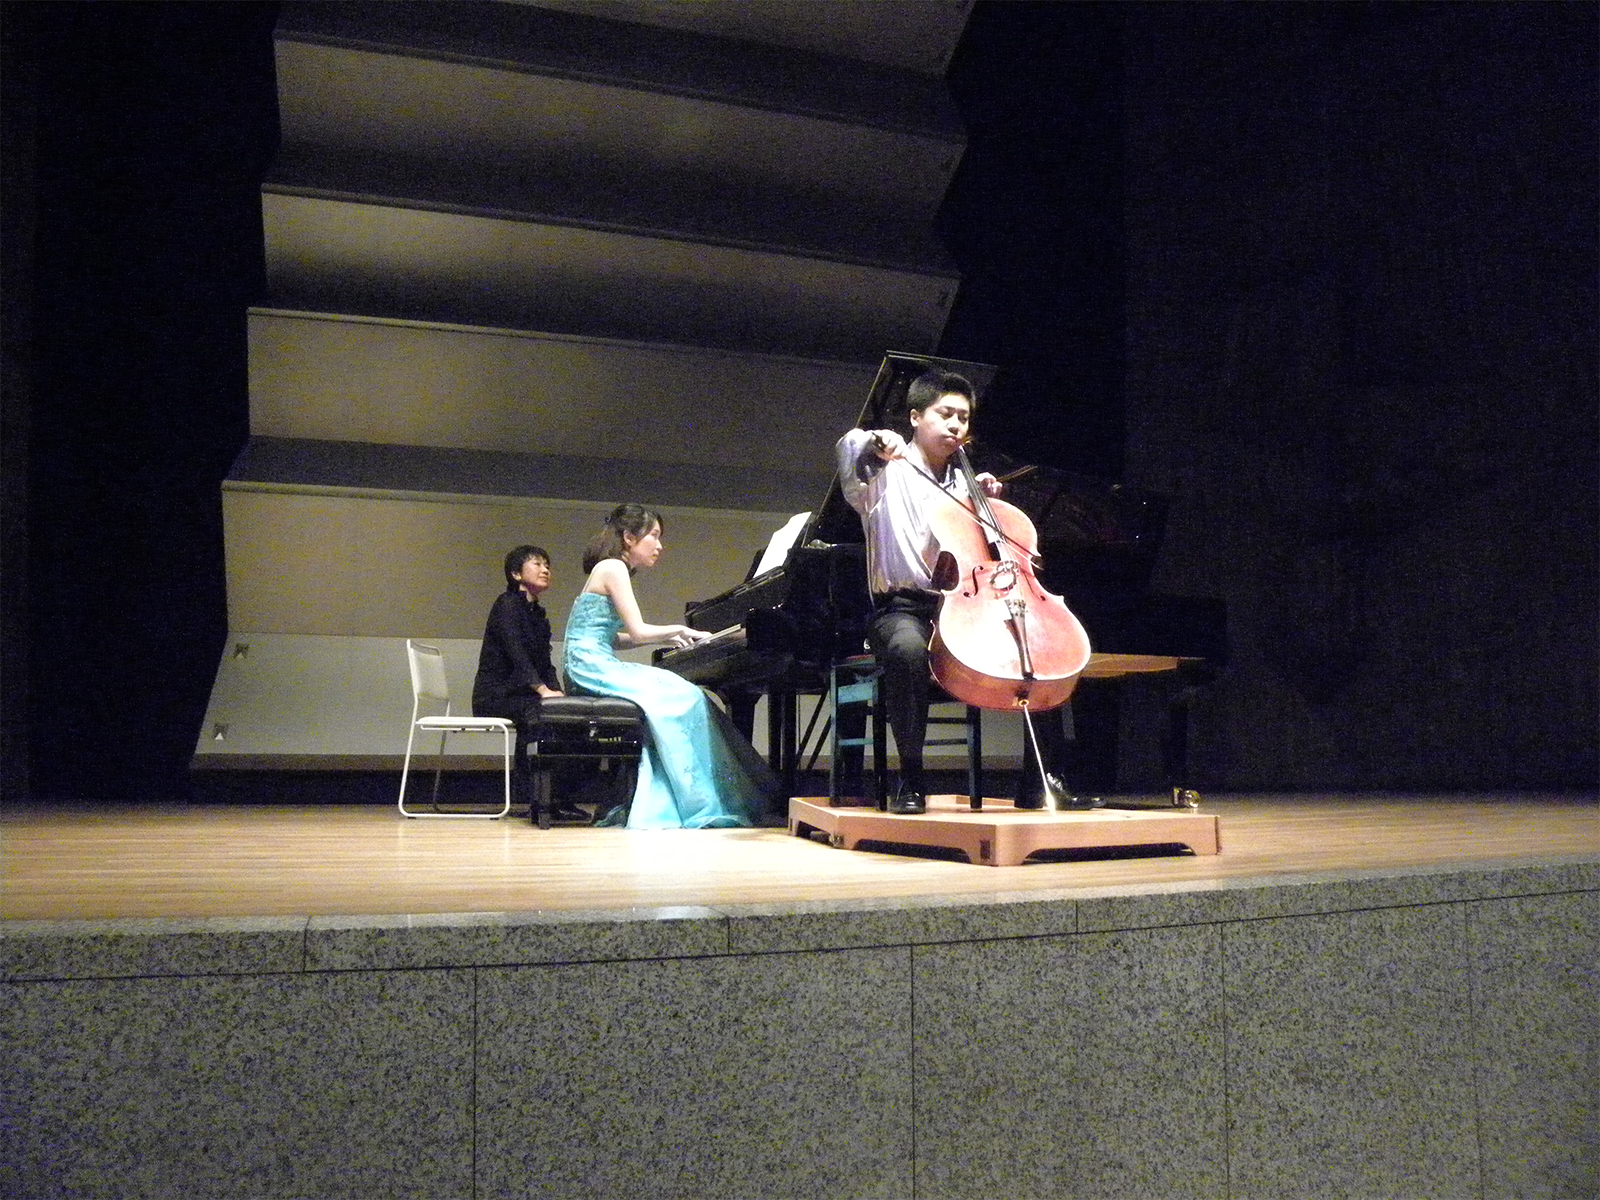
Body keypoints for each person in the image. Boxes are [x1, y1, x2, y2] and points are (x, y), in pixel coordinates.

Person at [835, 368, 1100, 815]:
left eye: (963, 417)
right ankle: (911, 779)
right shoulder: (883, 473)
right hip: (903, 608)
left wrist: (985, 502)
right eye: (945, 414)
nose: (956, 425)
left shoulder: (966, 487)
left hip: (966, 606)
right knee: (906, 650)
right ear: (915, 417)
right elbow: (849, 444)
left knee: (1035, 646)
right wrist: (875, 441)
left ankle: (1041, 781)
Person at [562, 504, 784, 828]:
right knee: (686, 697)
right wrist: (676, 630)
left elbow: (614, 638)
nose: (659, 545)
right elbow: (639, 631)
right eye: (654, 536)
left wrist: (669, 635)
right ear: (629, 537)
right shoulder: (613, 567)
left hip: (588, 661)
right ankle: (696, 796)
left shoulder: (608, 568)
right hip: (590, 665)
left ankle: (688, 791)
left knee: (683, 694)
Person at [471, 544, 588, 821]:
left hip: (524, 695)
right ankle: (536, 799)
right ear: (516, 574)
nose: (545, 569)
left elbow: (545, 664)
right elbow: (517, 654)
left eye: (547, 565)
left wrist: (558, 693)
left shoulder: (537, 614)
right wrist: (543, 690)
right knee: (538, 715)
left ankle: (560, 798)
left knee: (569, 716)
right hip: (496, 696)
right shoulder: (506, 605)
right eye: (537, 564)